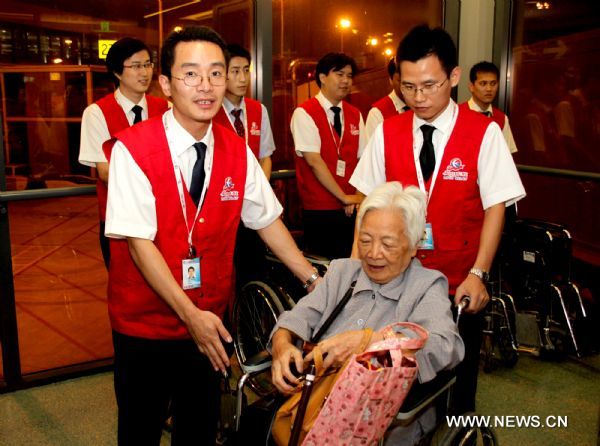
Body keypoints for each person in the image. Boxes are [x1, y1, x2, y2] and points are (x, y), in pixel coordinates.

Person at [104, 26, 320, 445]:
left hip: (209, 320)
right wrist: (190, 317)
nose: (206, 87)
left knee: (200, 425)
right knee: (139, 428)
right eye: (191, 74)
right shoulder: (132, 149)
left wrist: (311, 279)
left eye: (216, 74)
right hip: (144, 325)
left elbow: (267, 220)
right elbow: (138, 244)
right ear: (165, 83)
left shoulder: (235, 149)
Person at [350, 25, 525, 414]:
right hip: (396, 285)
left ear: (455, 77)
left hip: (458, 286)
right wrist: (355, 272)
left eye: (430, 85)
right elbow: (368, 206)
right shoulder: (387, 131)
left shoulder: (485, 133)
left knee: (455, 390)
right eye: (409, 88)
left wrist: (479, 274)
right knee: (390, 391)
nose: (419, 97)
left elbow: (496, 206)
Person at [270, 181, 464, 445]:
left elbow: (445, 345)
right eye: (365, 241)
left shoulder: (426, 286)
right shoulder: (342, 272)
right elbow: (298, 317)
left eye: (388, 244)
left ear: (415, 244)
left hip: (382, 423)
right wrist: (282, 344)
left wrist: (368, 341)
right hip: (314, 407)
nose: (373, 254)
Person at [79, 37, 169, 268]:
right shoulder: (97, 113)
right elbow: (106, 172)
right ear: (117, 73)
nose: (145, 72)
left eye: (148, 64)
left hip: (165, 219)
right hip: (120, 222)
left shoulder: (166, 109)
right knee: (127, 292)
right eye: (136, 66)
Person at [212, 43, 277, 286]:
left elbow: (265, 156)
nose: (242, 78)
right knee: (222, 276)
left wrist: (259, 190)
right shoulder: (209, 112)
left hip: (252, 207)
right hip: (221, 209)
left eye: (246, 70)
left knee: (253, 273)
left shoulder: (258, 110)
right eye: (235, 71)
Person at [291, 52, 365, 260]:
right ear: (322, 77)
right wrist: (343, 197)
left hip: (351, 208)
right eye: (339, 74)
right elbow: (314, 162)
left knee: (352, 264)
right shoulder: (304, 113)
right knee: (325, 268)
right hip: (320, 210)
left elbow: (363, 160)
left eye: (349, 76)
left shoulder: (355, 114)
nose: (345, 81)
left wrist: (357, 197)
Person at [461, 61, 518, 154]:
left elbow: (507, 156)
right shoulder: (457, 114)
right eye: (483, 83)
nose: (489, 89)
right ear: (471, 87)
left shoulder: (502, 119)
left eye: (493, 83)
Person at [364, 57, 409, 141]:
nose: (406, 85)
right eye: (400, 80)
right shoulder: (377, 113)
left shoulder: (423, 106)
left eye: (409, 80)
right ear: (390, 80)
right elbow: (372, 151)